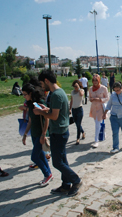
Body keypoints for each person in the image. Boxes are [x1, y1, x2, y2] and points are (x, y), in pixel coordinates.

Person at [33, 69, 82, 197]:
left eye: (42, 83)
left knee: (57, 162)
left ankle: (76, 180)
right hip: (62, 131)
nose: (42, 86)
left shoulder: (55, 95)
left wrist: (40, 112)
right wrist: (47, 109)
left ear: (47, 81)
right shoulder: (60, 92)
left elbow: (54, 116)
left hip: (58, 133)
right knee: (63, 160)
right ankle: (66, 185)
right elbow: (57, 112)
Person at [21, 83, 52, 187]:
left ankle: (47, 174)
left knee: (34, 157)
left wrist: (43, 134)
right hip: (34, 134)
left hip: (40, 134)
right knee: (40, 155)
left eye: (25, 94)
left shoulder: (39, 103)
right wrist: (25, 134)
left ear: (30, 93)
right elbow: (30, 121)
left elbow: (46, 118)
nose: (24, 97)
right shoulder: (30, 104)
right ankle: (49, 174)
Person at [89, 74, 109, 148]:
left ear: (99, 80)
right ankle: (103, 133)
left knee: (97, 124)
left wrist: (100, 100)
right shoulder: (90, 88)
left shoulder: (103, 88)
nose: (95, 82)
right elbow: (90, 97)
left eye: (96, 80)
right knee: (97, 123)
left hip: (101, 108)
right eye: (93, 80)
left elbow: (107, 98)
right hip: (94, 108)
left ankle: (96, 140)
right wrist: (91, 99)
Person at [69, 80, 86, 145]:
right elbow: (71, 100)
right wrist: (70, 109)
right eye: (74, 86)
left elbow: (81, 95)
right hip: (74, 109)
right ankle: (83, 132)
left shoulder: (81, 90)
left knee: (78, 124)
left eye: (76, 86)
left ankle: (77, 138)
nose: (75, 87)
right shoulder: (72, 92)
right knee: (76, 124)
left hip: (79, 109)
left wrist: (79, 88)